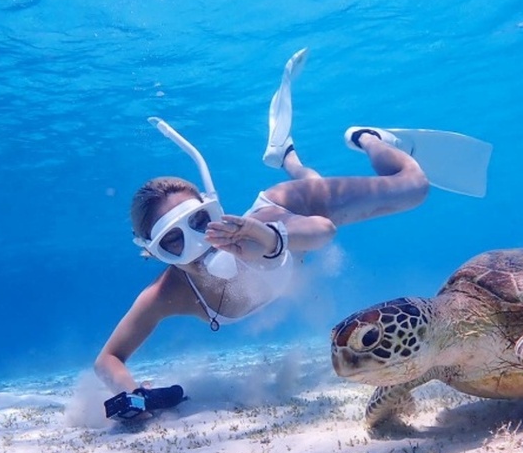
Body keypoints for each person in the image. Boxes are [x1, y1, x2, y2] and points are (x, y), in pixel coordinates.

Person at [94, 49, 430, 413]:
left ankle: (367, 137)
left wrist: (271, 239)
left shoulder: (258, 226)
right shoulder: (165, 293)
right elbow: (108, 359)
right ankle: (285, 155)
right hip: (285, 234)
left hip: (288, 203)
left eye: (200, 221)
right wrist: (133, 393)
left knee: (413, 188)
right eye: (172, 241)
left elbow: (324, 230)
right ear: (153, 251)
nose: (197, 243)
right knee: (313, 179)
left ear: (213, 208)